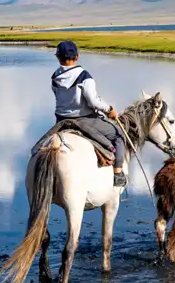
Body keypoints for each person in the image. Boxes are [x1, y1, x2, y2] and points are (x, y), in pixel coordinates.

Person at [51, 40, 127, 187]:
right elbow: (93, 102)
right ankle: (118, 172)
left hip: (60, 121)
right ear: (77, 56)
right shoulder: (84, 76)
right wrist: (110, 109)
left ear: (58, 58)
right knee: (118, 135)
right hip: (84, 120)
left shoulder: (55, 77)